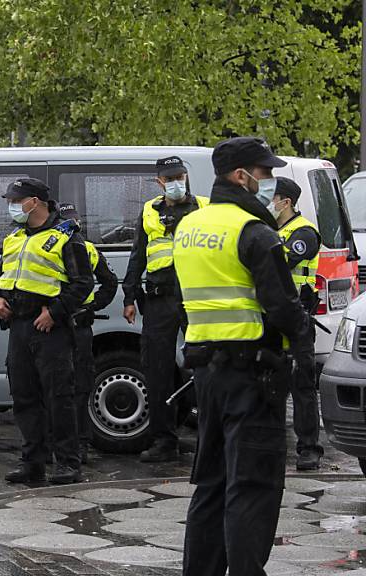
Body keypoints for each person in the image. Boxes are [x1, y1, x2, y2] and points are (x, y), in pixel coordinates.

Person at [175, 137, 311, 575]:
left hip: (207, 375)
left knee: (212, 483)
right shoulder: (254, 231)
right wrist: (303, 344)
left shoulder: (189, 227)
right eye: (265, 172)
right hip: (253, 377)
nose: (269, 181)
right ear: (241, 176)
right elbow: (284, 308)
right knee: (252, 485)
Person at [0, 178, 93, 485]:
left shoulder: (67, 237)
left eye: (16, 200)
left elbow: (82, 283)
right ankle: (33, 461)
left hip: (50, 328)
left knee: (59, 397)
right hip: (19, 326)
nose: (12, 206)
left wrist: (55, 311)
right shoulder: (14, 237)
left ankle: (67, 463)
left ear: (35, 202)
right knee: (24, 396)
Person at [122, 156, 208, 463]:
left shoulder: (204, 207)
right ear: (160, 182)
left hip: (195, 295)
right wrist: (129, 296)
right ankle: (164, 440)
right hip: (159, 298)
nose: (176, 183)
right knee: (156, 369)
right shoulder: (149, 211)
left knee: (205, 365)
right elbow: (138, 255)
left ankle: (211, 440)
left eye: (180, 176)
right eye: (169, 179)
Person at [271, 176, 323, 471]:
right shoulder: (269, 229)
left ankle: (309, 449)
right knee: (271, 385)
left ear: (285, 201)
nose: (269, 202)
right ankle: (274, 445)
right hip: (272, 317)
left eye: (272, 196)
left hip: (299, 318)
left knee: (302, 386)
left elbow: (281, 262)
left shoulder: (304, 232)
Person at [59, 203, 117, 464]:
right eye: (67, 220)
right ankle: (57, 444)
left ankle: (80, 444)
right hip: (52, 326)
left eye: (75, 219)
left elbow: (109, 283)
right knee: (53, 388)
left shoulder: (88, 249)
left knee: (80, 387)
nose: (73, 224)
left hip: (78, 327)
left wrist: (91, 307)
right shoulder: (47, 248)